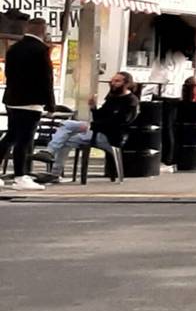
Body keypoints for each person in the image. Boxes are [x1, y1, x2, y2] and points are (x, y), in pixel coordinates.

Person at [45, 72, 137, 180]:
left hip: (112, 137)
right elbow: (100, 117)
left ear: (126, 84)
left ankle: (50, 154)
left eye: (117, 81)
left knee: (67, 129)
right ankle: (54, 171)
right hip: (97, 132)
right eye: (112, 80)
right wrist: (93, 107)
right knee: (66, 133)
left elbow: (119, 122)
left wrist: (92, 126)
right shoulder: (112, 97)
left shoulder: (131, 101)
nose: (112, 83)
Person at [4, 19, 55, 191]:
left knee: (11, 136)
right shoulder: (41, 50)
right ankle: (20, 176)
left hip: (12, 99)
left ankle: (17, 175)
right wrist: (50, 104)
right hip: (31, 100)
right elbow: (46, 79)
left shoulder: (14, 48)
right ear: (43, 30)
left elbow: (8, 73)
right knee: (24, 140)